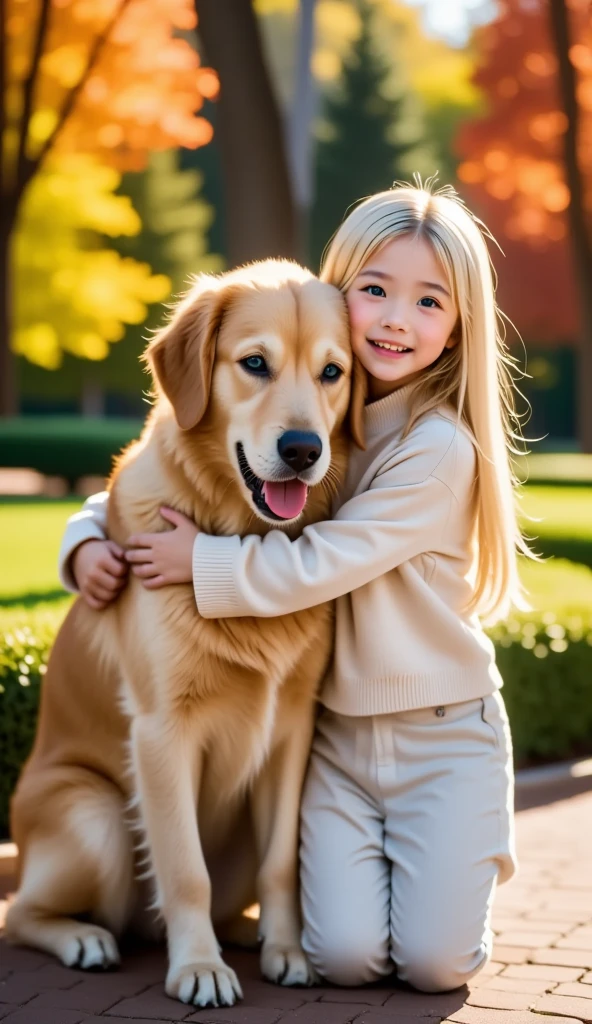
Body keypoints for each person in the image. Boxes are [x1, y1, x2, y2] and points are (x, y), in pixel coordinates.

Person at [59, 181, 529, 993]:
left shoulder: (425, 450)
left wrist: (198, 564)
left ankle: (452, 867)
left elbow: (323, 559)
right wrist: (83, 537)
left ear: (459, 328)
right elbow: (140, 489)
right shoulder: (334, 426)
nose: (393, 317)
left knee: (433, 962)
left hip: (440, 740)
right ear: (340, 293)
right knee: (345, 958)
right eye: (374, 291)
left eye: (428, 301)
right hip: (342, 747)